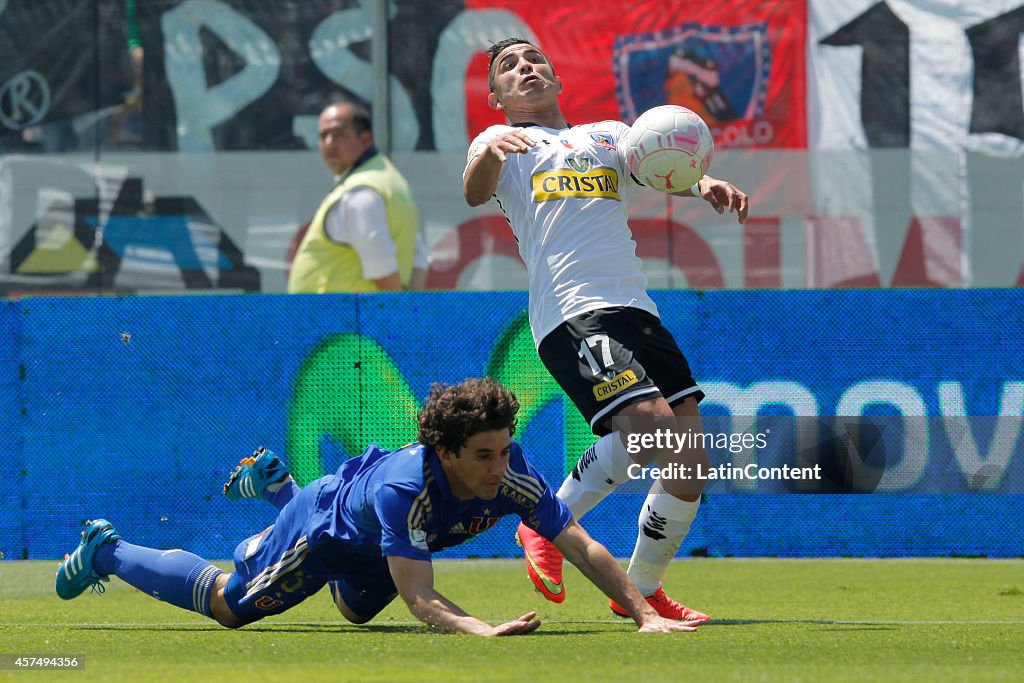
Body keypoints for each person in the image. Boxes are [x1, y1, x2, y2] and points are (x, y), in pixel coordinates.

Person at [463, 38, 750, 621]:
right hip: (572, 313)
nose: (526, 68)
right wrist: (490, 148)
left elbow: (657, 162)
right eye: (509, 68)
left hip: (637, 310)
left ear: (557, 78)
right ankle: (545, 523)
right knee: (655, 434)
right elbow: (473, 188)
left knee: (691, 462)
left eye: (535, 59)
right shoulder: (502, 147)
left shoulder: (606, 135)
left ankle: (642, 590)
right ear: (496, 97)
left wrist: (702, 183)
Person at [55, 378, 702, 636]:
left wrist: (644, 613)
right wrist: (481, 628)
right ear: (445, 451)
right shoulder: (407, 489)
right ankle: (106, 547)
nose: (500, 467)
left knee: (355, 611)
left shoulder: (513, 473)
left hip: (371, 538)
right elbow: (422, 596)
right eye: (484, 454)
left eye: (505, 450)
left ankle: (279, 485)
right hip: (328, 531)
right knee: (232, 605)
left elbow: (580, 543)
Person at [288, 100, 427, 293]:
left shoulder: (361, 193)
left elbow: (381, 267)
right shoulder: (390, 181)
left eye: (339, 135)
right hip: (349, 317)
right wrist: (409, 308)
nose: (329, 143)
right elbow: (417, 253)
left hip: (342, 319)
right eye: (323, 136)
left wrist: (399, 315)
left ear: (365, 139)